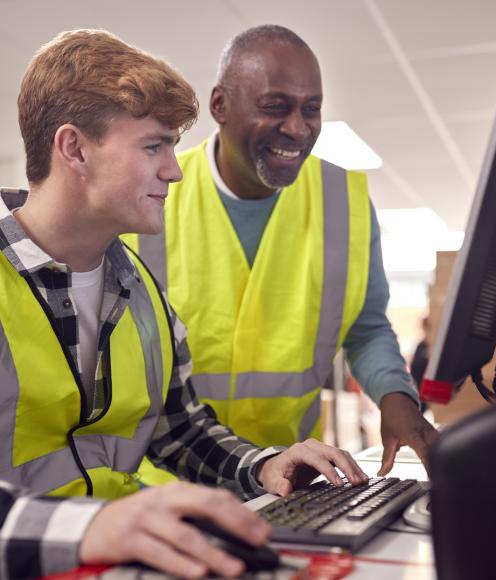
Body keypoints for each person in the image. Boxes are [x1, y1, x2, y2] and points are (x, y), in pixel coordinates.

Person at [0, 29, 370, 579]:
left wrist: (264, 465)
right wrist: (91, 528)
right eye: (153, 146)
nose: (174, 168)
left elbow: (180, 430)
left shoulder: (142, 291)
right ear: (74, 148)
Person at [127, 24, 439, 475]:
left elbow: (366, 327)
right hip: (166, 483)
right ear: (220, 105)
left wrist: (397, 399)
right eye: (275, 107)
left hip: (291, 478)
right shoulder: (154, 194)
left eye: (311, 109)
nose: (297, 128)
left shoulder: (344, 202)